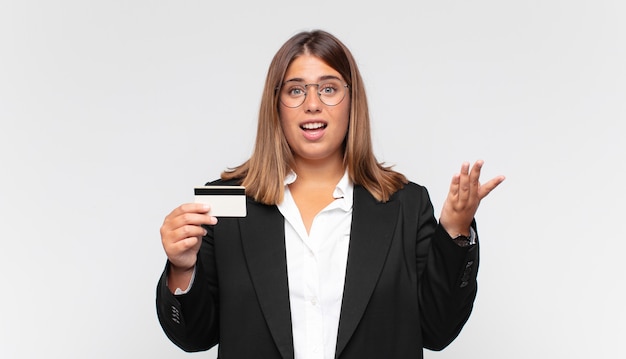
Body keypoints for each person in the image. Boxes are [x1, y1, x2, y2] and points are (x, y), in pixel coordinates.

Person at [156, 29, 505, 359]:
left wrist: (456, 230)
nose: (312, 104)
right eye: (295, 90)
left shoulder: (406, 205)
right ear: (276, 103)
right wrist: (182, 268)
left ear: (352, 100)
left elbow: (438, 330)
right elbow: (193, 337)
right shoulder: (225, 204)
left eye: (328, 88)